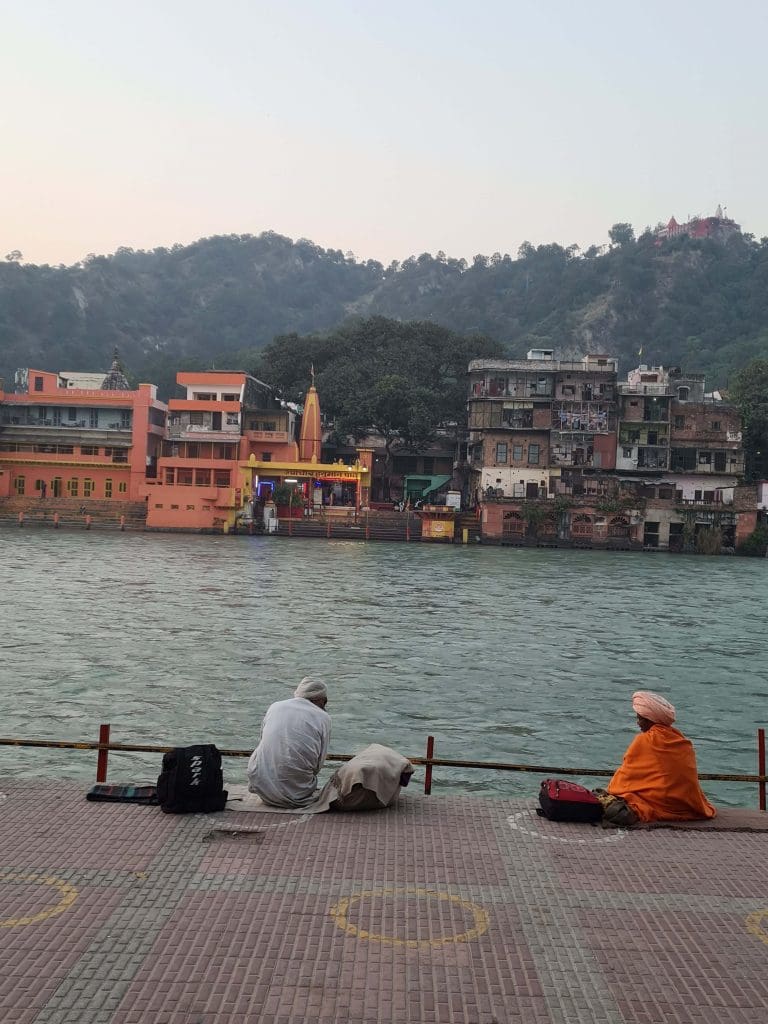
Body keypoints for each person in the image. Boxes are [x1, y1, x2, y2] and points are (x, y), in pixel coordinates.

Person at [599, 690, 716, 826]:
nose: (638, 723)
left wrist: (611, 790)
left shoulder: (644, 740)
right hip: (686, 804)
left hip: (659, 802)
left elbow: (626, 776)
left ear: (650, 720)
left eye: (640, 718)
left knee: (614, 798)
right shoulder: (681, 740)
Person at [247, 677, 331, 808]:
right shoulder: (323, 717)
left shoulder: (275, 706)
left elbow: (262, 739)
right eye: (325, 701)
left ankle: (272, 789)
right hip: (297, 792)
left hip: (260, 784)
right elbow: (319, 763)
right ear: (319, 699)